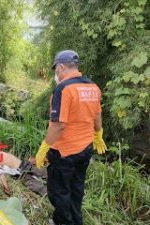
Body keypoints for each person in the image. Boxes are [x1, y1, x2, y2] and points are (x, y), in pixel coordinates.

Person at [35, 50, 107, 225]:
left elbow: (58, 125)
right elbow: (97, 116)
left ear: (60, 67)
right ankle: (76, 220)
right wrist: (98, 135)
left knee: (58, 192)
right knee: (76, 189)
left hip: (64, 152)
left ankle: (64, 222)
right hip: (85, 149)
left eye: (55, 70)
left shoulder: (63, 89)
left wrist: (44, 148)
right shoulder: (92, 87)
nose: (55, 74)